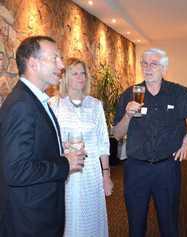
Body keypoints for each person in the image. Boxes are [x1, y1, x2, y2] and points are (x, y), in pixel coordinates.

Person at [113, 48, 187, 237]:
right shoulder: (130, 94)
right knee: (135, 224)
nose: (148, 68)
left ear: (164, 68)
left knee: (169, 224)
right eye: (144, 63)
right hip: (136, 169)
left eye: (154, 64)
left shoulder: (179, 93)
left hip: (167, 168)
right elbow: (117, 134)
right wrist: (127, 115)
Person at [0, 36, 86, 237]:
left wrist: (58, 148)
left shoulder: (34, 99)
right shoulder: (21, 105)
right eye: (55, 58)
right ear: (33, 63)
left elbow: (31, 151)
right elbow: (16, 170)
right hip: (30, 221)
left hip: (39, 214)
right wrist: (65, 163)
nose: (61, 65)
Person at [50, 57, 113, 237]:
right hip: (66, 170)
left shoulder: (95, 105)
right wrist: (63, 145)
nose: (80, 77)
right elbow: (49, 140)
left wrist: (106, 175)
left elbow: (103, 142)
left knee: (91, 216)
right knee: (68, 217)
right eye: (75, 73)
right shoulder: (55, 104)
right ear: (65, 77)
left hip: (91, 170)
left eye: (83, 73)